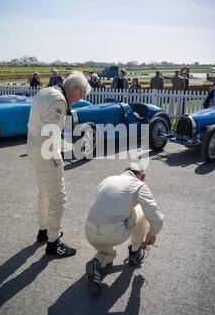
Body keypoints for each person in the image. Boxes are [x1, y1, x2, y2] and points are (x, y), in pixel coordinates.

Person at [27, 72, 92, 257]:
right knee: (59, 199)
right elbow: (49, 132)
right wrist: (58, 156)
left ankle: (44, 231)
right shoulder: (58, 101)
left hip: (33, 148)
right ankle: (53, 243)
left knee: (44, 193)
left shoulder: (45, 91)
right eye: (81, 96)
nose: (79, 100)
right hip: (46, 153)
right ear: (75, 89)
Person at [85, 163, 164, 294]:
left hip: (90, 231)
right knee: (144, 211)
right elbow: (157, 218)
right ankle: (135, 253)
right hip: (113, 233)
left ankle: (96, 264)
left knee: (108, 254)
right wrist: (152, 234)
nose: (142, 180)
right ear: (139, 174)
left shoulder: (108, 180)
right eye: (143, 177)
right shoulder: (138, 184)